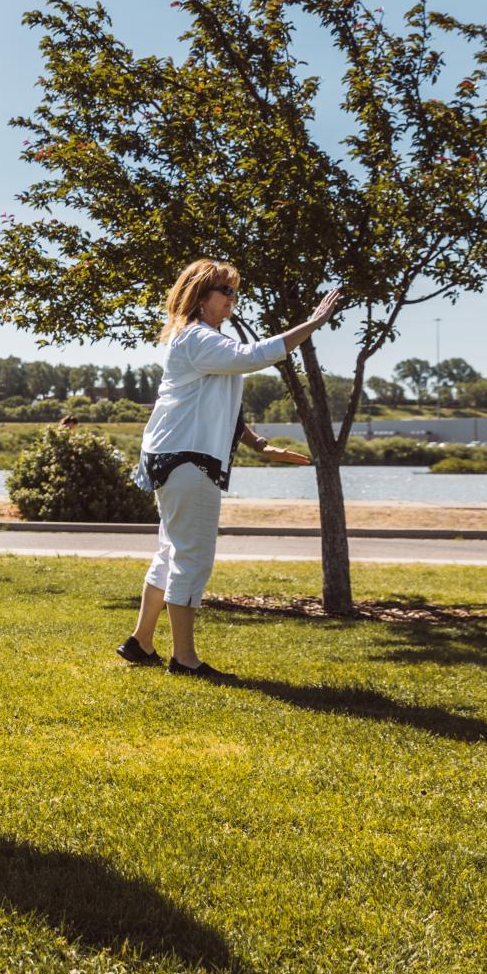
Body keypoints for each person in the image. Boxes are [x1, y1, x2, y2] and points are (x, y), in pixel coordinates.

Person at [116, 261, 341, 677]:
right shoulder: (200, 338)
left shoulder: (203, 341)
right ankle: (184, 660)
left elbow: (226, 409)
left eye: (235, 291)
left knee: (171, 552)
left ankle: (140, 642)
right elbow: (254, 356)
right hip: (187, 460)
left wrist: (260, 444)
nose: (233, 298)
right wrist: (312, 323)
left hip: (173, 459)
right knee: (192, 559)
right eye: (226, 291)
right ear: (201, 297)